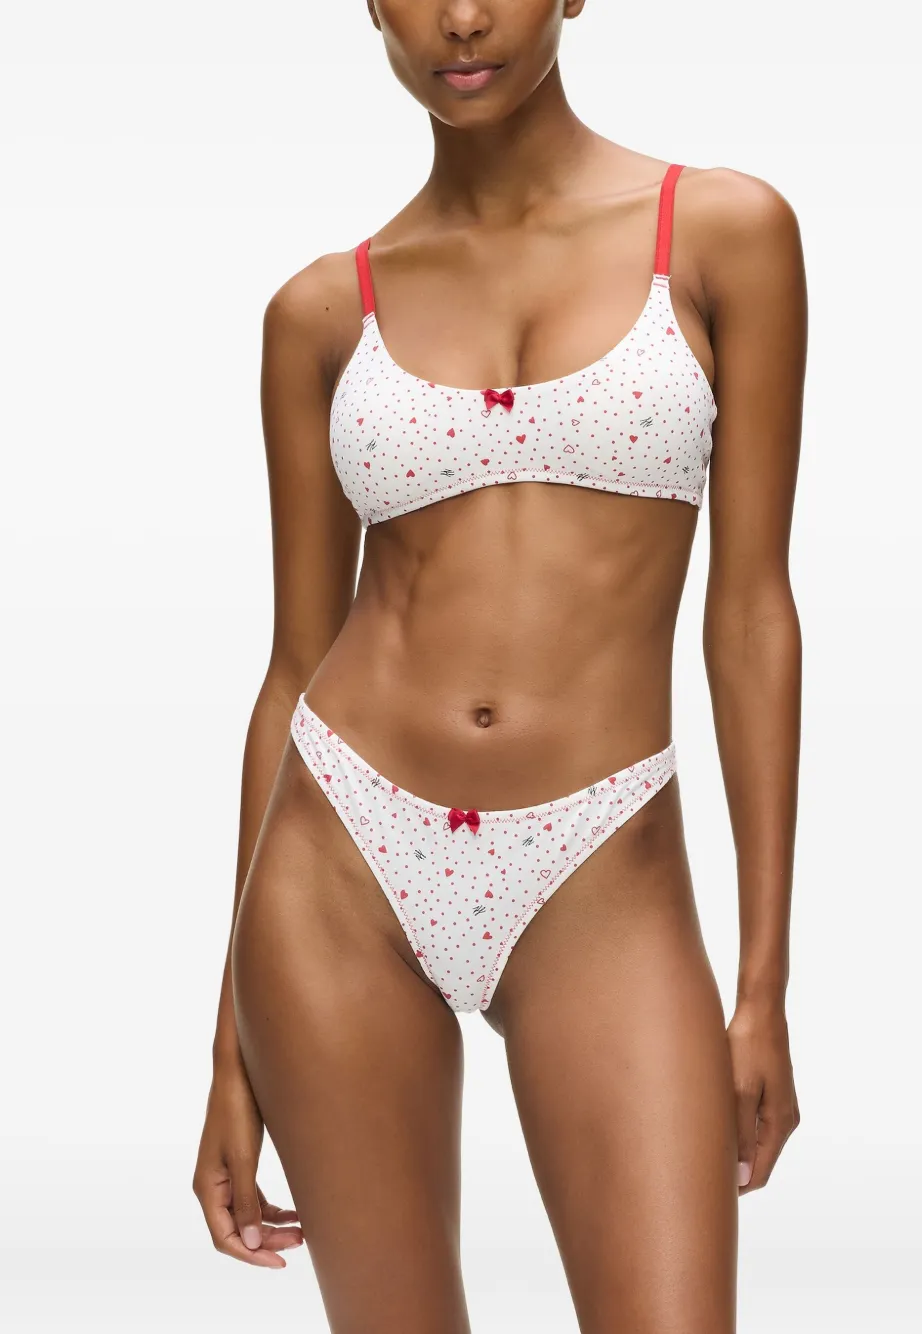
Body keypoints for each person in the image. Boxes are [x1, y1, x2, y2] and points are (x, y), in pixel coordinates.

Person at [193, 3, 806, 1330]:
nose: (462, 17)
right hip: (340, 866)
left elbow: (752, 612)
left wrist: (763, 983)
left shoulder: (723, 233)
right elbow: (292, 666)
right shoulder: (319, 310)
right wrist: (228, 1053)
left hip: (602, 871)